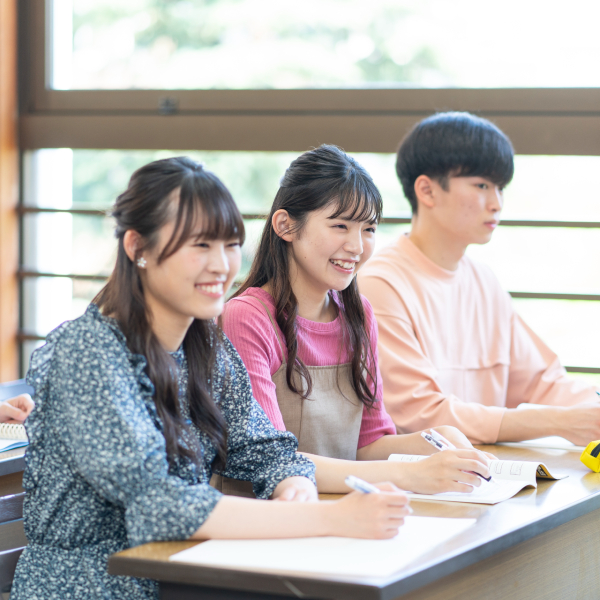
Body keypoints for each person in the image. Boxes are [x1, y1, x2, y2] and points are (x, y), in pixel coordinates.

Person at [10, 157, 412, 600]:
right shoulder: (87, 352)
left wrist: (292, 485)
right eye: (200, 246)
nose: (221, 265)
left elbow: (262, 448)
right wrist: (332, 519)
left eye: (230, 244)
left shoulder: (204, 344)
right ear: (137, 247)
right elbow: (161, 503)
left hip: (190, 572)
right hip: (95, 585)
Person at [222, 145, 491, 496]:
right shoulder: (246, 318)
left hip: (345, 511)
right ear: (286, 226)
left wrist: (437, 441)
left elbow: (368, 444)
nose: (357, 246)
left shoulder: (358, 314)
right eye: (340, 225)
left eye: (368, 229)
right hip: (268, 522)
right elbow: (273, 461)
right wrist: (413, 475)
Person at [357, 112, 600, 446]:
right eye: (482, 185)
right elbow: (422, 415)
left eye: (500, 188)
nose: (497, 203)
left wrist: (590, 410)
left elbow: (543, 382)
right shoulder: (380, 283)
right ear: (427, 191)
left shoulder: (484, 281)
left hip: (489, 476)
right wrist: (555, 422)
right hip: (417, 485)